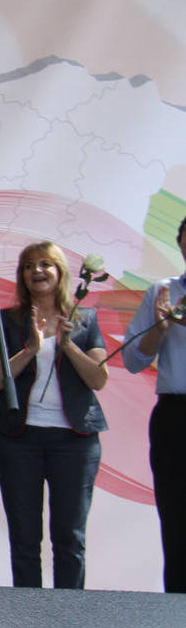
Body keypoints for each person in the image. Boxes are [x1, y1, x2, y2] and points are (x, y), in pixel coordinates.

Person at [0, 241, 108, 589]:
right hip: (19, 440)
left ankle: (70, 614)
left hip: (75, 441)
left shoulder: (84, 319)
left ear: (61, 272)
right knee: (24, 538)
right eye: (29, 266)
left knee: (70, 538)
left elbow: (98, 379)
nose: (36, 271)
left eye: (45, 264)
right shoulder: (8, 320)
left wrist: (68, 345)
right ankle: (29, 615)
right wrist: (31, 349)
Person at [124, 215, 186, 593]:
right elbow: (133, 360)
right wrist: (160, 331)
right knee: (177, 519)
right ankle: (178, 609)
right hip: (176, 416)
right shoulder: (163, 292)